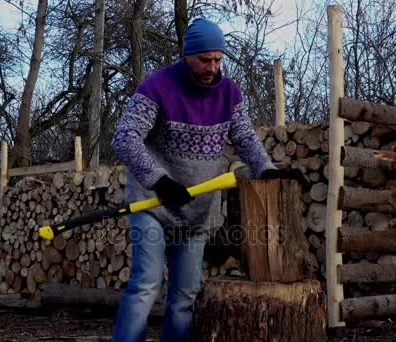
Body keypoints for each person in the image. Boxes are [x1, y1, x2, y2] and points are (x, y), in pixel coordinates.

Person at [110, 18, 289, 342]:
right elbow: (125, 138)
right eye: (205, 59)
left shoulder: (229, 94)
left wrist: (266, 169)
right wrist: (159, 180)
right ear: (187, 55)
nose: (212, 67)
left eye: (218, 59)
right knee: (146, 284)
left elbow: (246, 139)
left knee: (185, 296)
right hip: (153, 204)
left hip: (196, 211)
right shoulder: (157, 87)